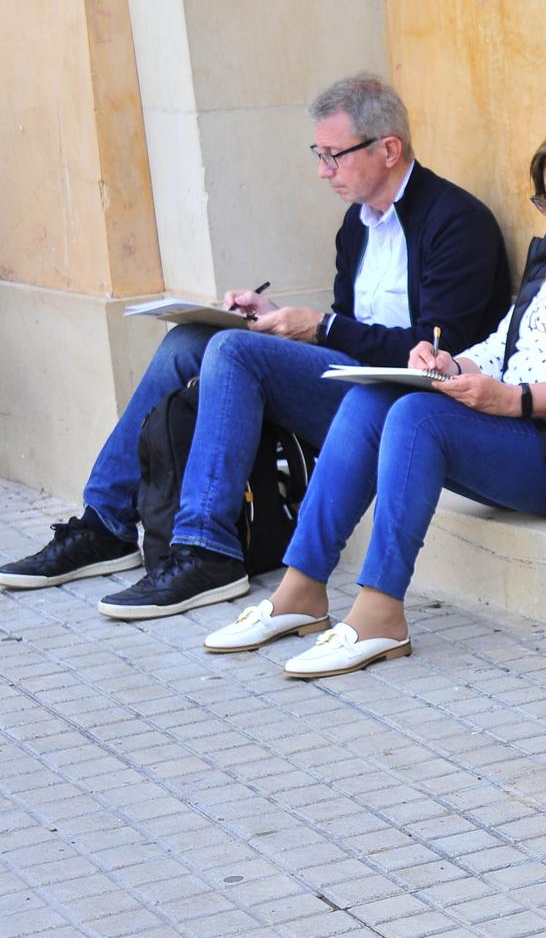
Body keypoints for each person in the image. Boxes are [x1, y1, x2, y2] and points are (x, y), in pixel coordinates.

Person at [201, 117, 546, 678]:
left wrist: (513, 400)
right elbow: (501, 345)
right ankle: (301, 590)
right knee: (379, 395)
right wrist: (449, 364)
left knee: (417, 416)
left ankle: (380, 612)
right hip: (517, 433)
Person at [0, 74, 511, 620]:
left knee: (233, 352)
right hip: (348, 382)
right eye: (319, 154)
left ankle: (206, 549)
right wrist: (275, 322)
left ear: (388, 149)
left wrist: (322, 328)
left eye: (334, 155)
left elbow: (438, 350)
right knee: (192, 339)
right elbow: (349, 328)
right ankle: (104, 524)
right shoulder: (357, 225)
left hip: (404, 402)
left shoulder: (456, 223)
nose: (323, 170)